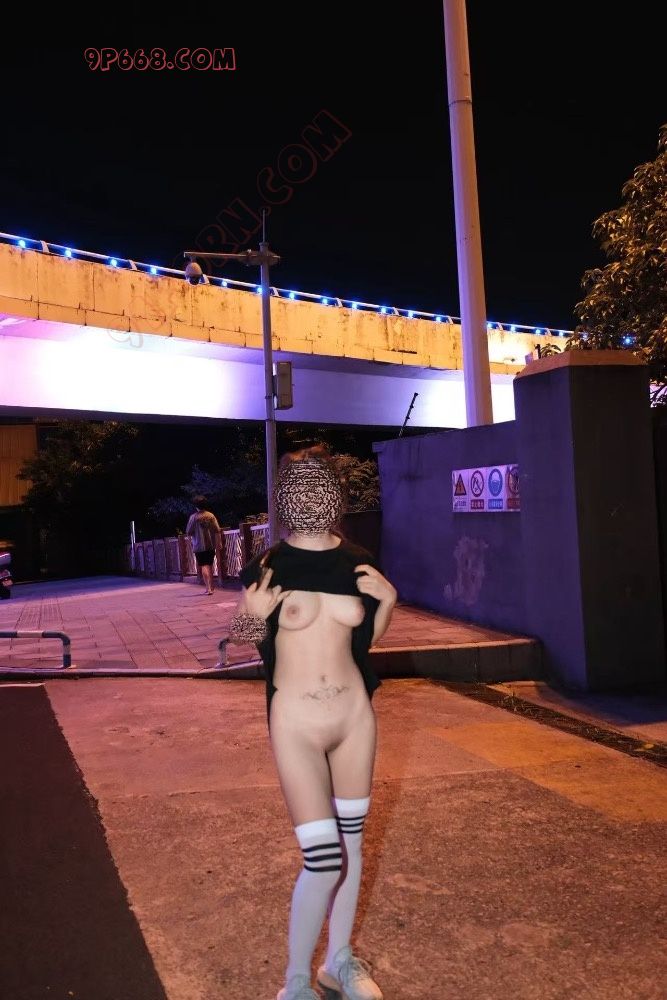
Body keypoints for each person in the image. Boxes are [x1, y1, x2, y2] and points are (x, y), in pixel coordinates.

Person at [228, 446, 397, 1000]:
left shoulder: (358, 561)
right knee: (322, 860)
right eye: (298, 485)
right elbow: (242, 642)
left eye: (317, 483)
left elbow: (364, 642)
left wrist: (388, 604)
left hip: (354, 718)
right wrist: (249, 619)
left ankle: (337, 962)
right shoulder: (268, 565)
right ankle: (295, 981)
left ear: (334, 495)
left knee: (352, 848)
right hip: (295, 722)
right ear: (285, 496)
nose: (308, 494)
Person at [185, 496, 222, 596]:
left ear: (196, 506)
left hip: (199, 546)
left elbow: (188, 531)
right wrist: (219, 543)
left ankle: (208, 588)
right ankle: (212, 587)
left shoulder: (193, 517)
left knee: (203, 566)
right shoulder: (211, 516)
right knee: (210, 565)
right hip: (210, 545)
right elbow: (217, 530)